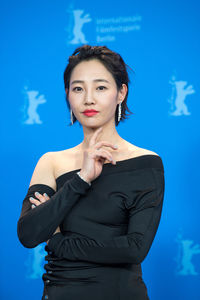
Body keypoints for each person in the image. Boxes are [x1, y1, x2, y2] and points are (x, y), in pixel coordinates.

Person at [17, 45, 165, 300]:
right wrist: (82, 179)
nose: (88, 98)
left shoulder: (146, 162)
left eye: (100, 87)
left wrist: (57, 241)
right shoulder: (51, 162)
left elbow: (134, 249)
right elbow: (29, 234)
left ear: (121, 92)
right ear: (68, 96)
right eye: (78, 88)